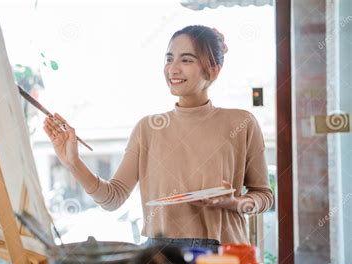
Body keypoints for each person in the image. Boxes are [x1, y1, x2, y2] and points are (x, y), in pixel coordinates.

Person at [43, 25, 273, 252]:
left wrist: (234, 203)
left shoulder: (242, 123)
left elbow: (263, 195)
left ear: (213, 70)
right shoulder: (148, 128)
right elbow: (112, 199)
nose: (173, 69)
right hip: (160, 258)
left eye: (186, 60)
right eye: (169, 58)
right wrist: (73, 162)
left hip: (226, 255)